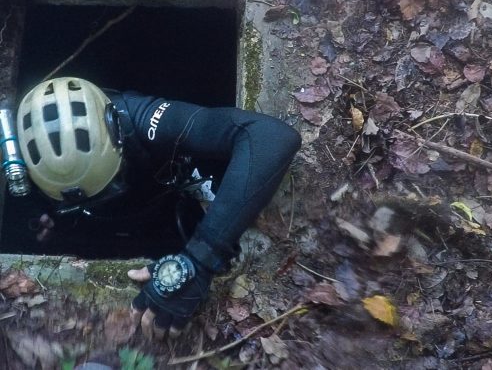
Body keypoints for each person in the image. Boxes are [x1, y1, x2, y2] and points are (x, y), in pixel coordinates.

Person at [16, 77, 301, 340]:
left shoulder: (142, 119)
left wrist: (200, 259)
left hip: (167, 208)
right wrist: (44, 223)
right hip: (114, 228)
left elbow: (269, 137)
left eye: (111, 186)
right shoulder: (20, 163)